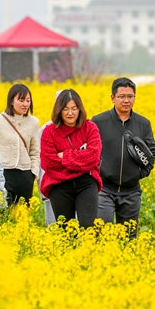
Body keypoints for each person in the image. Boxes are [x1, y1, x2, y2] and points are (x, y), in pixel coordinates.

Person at [91, 77, 155, 237]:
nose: (126, 100)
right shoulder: (99, 121)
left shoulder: (143, 123)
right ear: (113, 98)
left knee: (128, 238)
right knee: (102, 233)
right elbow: (90, 151)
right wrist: (98, 170)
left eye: (130, 96)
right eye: (121, 96)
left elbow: (152, 153)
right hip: (104, 189)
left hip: (131, 191)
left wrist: (139, 174)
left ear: (134, 98)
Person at [39, 89, 102, 228]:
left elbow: (93, 157)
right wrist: (80, 158)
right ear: (59, 110)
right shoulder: (49, 131)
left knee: (89, 228)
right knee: (66, 232)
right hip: (59, 185)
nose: (70, 113)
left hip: (86, 184)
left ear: (80, 109)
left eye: (74, 108)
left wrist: (64, 156)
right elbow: (48, 162)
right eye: (65, 109)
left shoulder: (90, 128)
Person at [0, 83, 41, 207]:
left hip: (25, 176)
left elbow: (34, 151)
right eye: (21, 100)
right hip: (2, 174)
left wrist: (33, 173)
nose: (25, 104)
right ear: (11, 101)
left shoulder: (33, 122)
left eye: (28, 100)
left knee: (22, 215)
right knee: (2, 213)